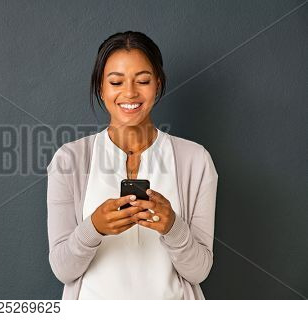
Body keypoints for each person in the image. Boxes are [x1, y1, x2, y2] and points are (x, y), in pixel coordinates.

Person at [46, 31, 218, 299]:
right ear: (101, 88)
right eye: (116, 81)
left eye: (143, 80)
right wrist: (94, 227)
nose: (129, 93)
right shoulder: (68, 160)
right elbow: (62, 269)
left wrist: (172, 226)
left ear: (158, 84)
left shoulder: (196, 160)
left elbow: (199, 272)